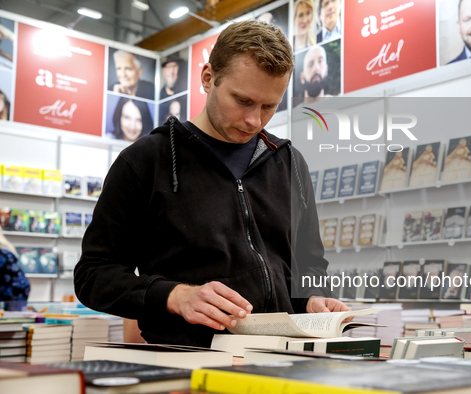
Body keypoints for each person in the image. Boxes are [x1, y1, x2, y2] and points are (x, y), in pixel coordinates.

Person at [74, 20, 348, 347]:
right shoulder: (146, 161)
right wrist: (175, 296)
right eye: (243, 100)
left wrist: (312, 299)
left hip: (286, 358)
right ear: (208, 78)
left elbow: (310, 264)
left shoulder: (289, 163)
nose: (254, 120)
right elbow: (94, 275)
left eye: (269, 106)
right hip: (187, 363)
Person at [0, 227, 30, 308]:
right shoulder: (6, 251)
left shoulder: (3, 253)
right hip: (15, 291)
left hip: (14, 292)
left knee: (11, 319)